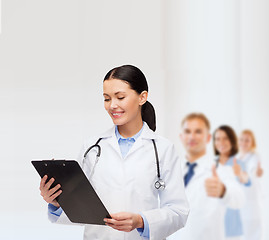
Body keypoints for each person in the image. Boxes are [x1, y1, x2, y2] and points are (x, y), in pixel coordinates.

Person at [39, 64, 189, 240]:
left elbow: (178, 212)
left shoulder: (163, 149)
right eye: (107, 98)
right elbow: (81, 209)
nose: (112, 105)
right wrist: (56, 202)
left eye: (120, 97)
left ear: (142, 97)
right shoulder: (92, 147)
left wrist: (141, 221)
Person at [168, 113, 244, 240]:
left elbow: (239, 198)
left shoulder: (221, 169)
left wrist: (223, 191)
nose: (192, 137)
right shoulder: (172, 170)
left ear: (208, 138)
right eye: (187, 131)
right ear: (181, 137)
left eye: (198, 132)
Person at [213, 125, 248, 240]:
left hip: (232, 223)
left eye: (225, 138)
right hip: (213, 220)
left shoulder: (238, 163)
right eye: (218, 139)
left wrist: (240, 175)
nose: (221, 142)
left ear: (232, 141)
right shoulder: (211, 163)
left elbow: (246, 181)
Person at [237, 129, 263, 240]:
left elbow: (254, 171)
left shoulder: (254, 157)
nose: (243, 143)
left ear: (252, 142)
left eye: (247, 140)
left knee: (253, 233)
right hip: (240, 203)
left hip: (251, 203)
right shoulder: (236, 158)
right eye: (241, 140)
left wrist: (254, 173)